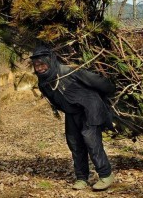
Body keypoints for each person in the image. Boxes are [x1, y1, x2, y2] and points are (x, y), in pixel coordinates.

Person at [30, 45, 116, 191]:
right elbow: (55, 101)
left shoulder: (70, 72)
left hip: (90, 108)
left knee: (91, 140)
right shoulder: (43, 82)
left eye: (42, 64)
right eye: (36, 65)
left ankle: (106, 175)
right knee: (74, 143)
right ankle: (82, 178)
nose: (39, 68)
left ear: (50, 61)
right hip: (72, 113)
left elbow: (99, 82)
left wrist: (110, 92)